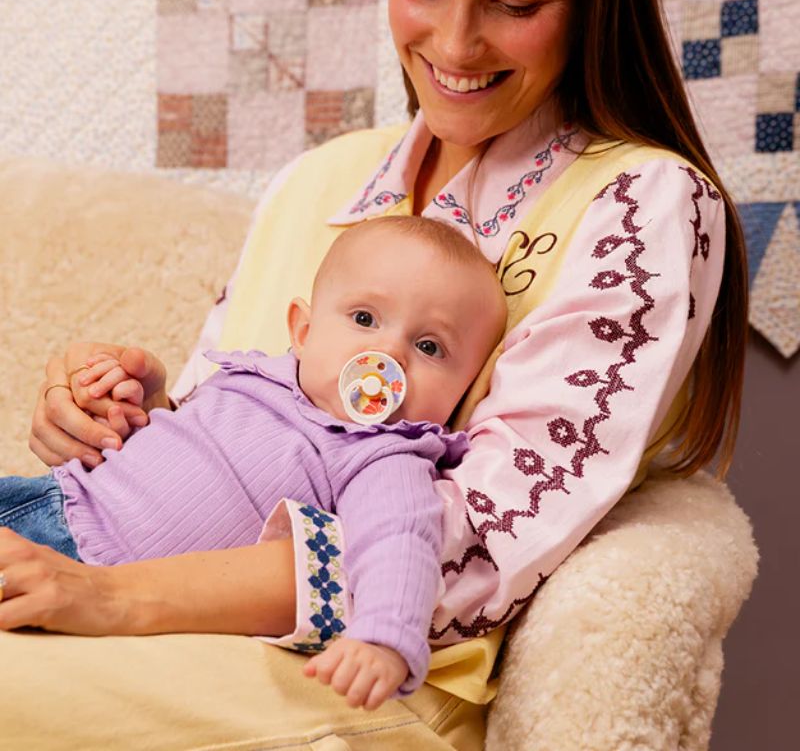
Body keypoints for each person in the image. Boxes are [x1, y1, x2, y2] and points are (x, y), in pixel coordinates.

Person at [0, 0, 748, 747]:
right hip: (140, 591)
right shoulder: (320, 180)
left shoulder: (640, 205)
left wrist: (109, 597)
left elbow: (464, 554)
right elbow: (245, 457)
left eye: (514, 3)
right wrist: (123, 420)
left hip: (362, 676)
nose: (455, 43)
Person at [0, 216, 507, 709]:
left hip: (89, 573)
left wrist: (385, 639)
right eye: (364, 319)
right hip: (48, 499)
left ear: (464, 391)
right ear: (303, 330)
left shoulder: (382, 457)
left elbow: (400, 540)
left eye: (429, 347)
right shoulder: (255, 375)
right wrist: (134, 411)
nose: (388, 352)